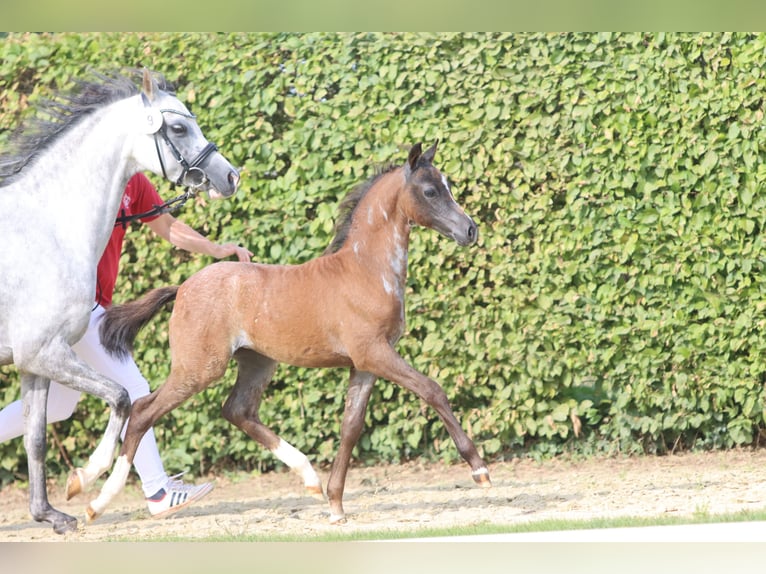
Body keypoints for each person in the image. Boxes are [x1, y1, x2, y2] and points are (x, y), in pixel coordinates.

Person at [0, 172, 253, 518]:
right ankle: (158, 490)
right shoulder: (80, 173)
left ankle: (153, 487)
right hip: (77, 305)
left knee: (59, 405)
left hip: (92, 306)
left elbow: (167, 226)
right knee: (134, 387)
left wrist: (216, 249)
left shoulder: (135, 183)